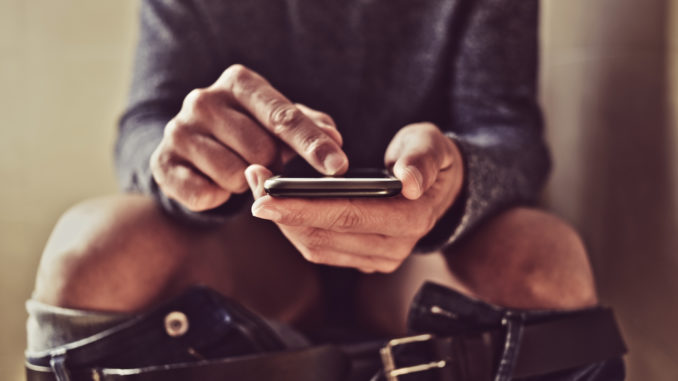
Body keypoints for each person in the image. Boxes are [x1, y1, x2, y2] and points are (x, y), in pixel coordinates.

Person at [26, 0, 625, 379]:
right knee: (92, 252)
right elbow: (146, 123)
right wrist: (180, 163)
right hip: (245, 250)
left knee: (546, 263)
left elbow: (511, 134)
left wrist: (456, 177)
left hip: (421, 259)